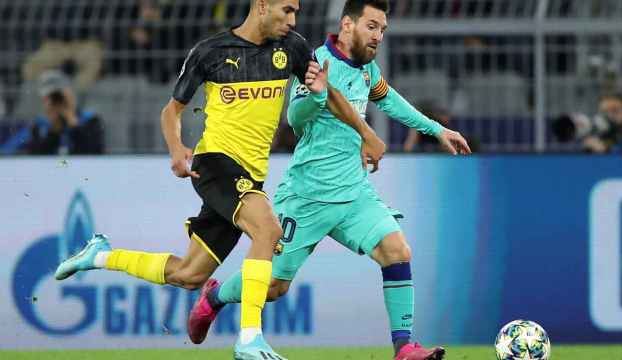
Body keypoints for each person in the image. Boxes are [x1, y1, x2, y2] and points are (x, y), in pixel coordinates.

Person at [54, 1, 385, 360]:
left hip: (250, 176)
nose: (293, 20)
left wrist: (366, 133)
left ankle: (100, 256)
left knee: (188, 274)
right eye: (287, 10)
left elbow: (329, 93)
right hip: (215, 164)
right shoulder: (211, 52)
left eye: (296, 12)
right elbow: (172, 110)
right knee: (267, 231)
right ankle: (249, 339)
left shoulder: (292, 47)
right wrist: (177, 146)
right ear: (262, 5)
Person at [188, 1, 470, 360]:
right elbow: (295, 116)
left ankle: (404, 348)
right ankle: (213, 298)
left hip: (354, 194)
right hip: (307, 196)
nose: (378, 36)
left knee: (397, 251)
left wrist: (435, 129)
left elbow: (389, 99)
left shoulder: (366, 70)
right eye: (372, 27)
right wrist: (320, 96)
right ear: (347, 24)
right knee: (273, 286)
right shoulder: (316, 62)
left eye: (382, 29)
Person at [0, 70, 104, 155]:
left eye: (59, 96)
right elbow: (35, 158)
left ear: (70, 94)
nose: (57, 100)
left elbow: (93, 152)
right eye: (52, 97)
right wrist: (54, 128)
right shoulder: (39, 125)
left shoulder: (91, 120)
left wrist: (72, 121)